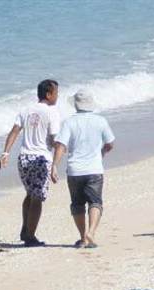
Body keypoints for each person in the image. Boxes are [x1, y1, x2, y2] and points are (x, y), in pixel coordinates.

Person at [0, 79, 60, 246]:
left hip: (23, 158)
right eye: (56, 93)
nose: (57, 97)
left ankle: (25, 229)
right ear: (48, 94)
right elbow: (55, 138)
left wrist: (5, 153)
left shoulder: (25, 109)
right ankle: (30, 236)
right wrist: (62, 149)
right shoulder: (51, 112)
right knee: (37, 198)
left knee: (30, 194)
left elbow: (14, 132)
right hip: (40, 159)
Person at [51, 89, 115, 248]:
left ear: (76, 105)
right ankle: (91, 233)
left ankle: (82, 237)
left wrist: (54, 166)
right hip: (94, 169)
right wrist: (102, 152)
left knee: (77, 204)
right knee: (95, 202)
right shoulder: (100, 121)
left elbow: (60, 145)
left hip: (75, 170)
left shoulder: (69, 122)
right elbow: (110, 143)